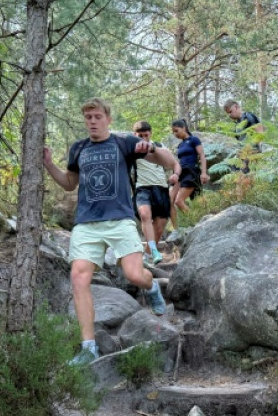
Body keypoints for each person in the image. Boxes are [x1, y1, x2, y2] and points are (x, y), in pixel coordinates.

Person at [43, 98, 177, 366]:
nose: (92, 121)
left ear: (108, 118)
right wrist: (48, 164)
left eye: (96, 116)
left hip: (120, 220)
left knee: (134, 274)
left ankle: (151, 287)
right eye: (88, 117)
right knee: (79, 277)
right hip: (86, 222)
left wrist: (150, 146)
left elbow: (168, 160)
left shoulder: (124, 142)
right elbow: (70, 183)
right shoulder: (78, 148)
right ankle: (89, 348)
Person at [131, 120, 180, 265]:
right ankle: (153, 250)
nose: (144, 139)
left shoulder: (159, 146)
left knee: (159, 225)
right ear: (135, 135)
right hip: (142, 188)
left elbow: (175, 163)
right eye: (140, 136)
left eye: (146, 135)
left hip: (161, 188)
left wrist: (176, 175)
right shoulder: (131, 149)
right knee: (145, 215)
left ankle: (147, 257)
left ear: (150, 134)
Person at [170, 119, 209, 213]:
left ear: (184, 128)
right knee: (170, 201)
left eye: (176, 131)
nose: (175, 134)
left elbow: (202, 155)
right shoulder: (180, 145)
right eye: (173, 132)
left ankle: (194, 220)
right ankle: (175, 226)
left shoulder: (194, 140)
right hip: (180, 173)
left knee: (179, 201)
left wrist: (204, 173)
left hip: (191, 172)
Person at [223, 99, 263, 172]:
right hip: (242, 155)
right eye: (228, 113)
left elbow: (260, 133)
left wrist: (253, 151)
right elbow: (240, 141)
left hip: (252, 154)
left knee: (248, 177)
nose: (229, 115)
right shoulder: (237, 124)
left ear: (236, 106)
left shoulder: (248, 116)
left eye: (230, 112)